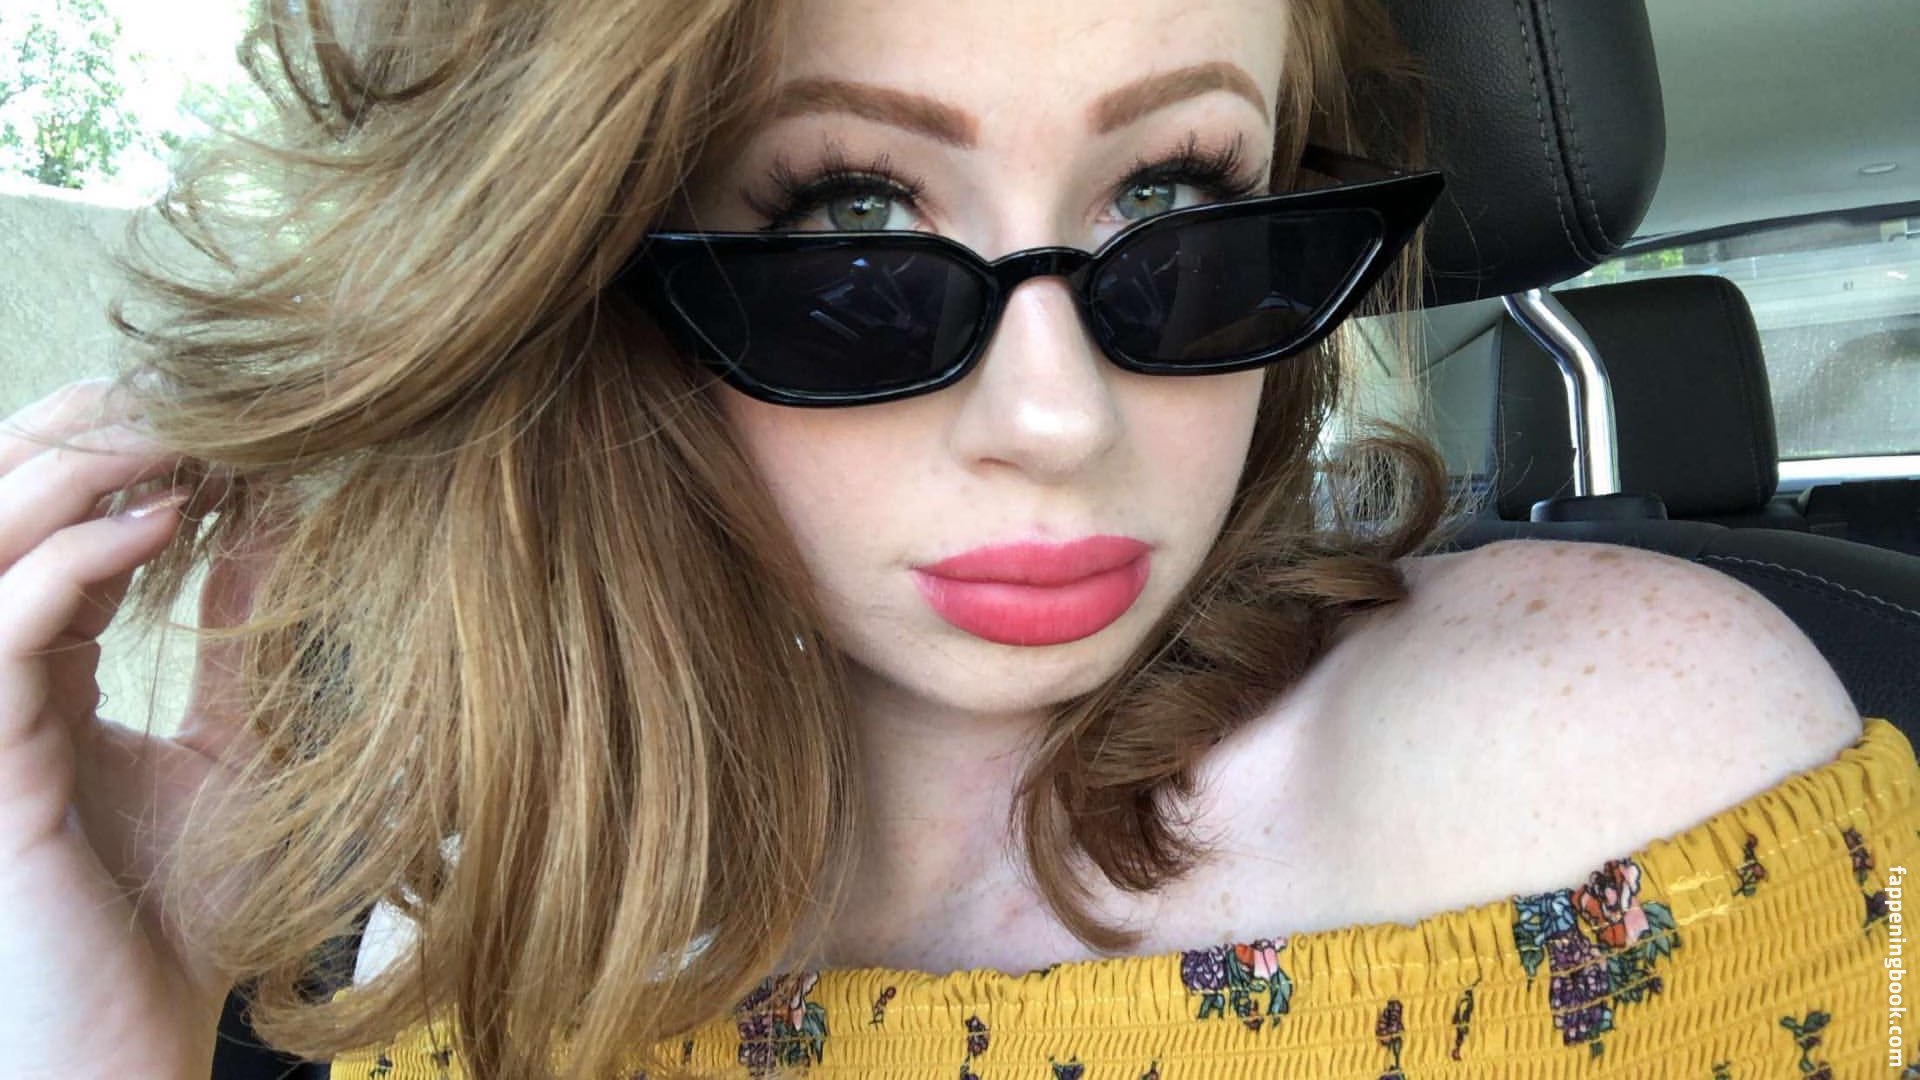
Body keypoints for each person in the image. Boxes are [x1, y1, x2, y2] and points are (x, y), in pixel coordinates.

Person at [2, 0, 1911, 1077]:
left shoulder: (1597, 770)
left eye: (1177, 201)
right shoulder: (459, 896)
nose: (1060, 417)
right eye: (851, 219)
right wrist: (124, 1040)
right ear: (569, 281)